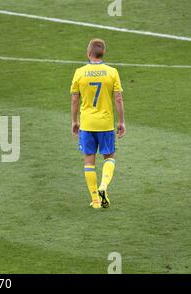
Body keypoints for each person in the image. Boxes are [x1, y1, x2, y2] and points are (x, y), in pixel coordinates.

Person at [70, 39, 125, 209]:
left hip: (87, 123)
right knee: (109, 157)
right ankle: (103, 187)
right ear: (103, 54)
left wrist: (74, 121)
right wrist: (121, 121)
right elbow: (118, 98)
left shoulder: (79, 72)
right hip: (105, 124)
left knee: (89, 161)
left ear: (88, 54)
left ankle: (95, 200)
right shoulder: (112, 72)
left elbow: (74, 99)